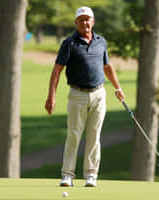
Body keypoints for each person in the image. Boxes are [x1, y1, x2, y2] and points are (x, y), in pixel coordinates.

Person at [45, 6, 125, 187]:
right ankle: (67, 175)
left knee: (94, 136)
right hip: (77, 94)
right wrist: (51, 97)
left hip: (99, 94)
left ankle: (91, 175)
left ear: (93, 21)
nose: (85, 22)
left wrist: (118, 88)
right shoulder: (69, 43)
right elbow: (57, 70)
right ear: (76, 23)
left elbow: (107, 67)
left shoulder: (101, 41)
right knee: (74, 135)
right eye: (81, 20)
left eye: (88, 19)